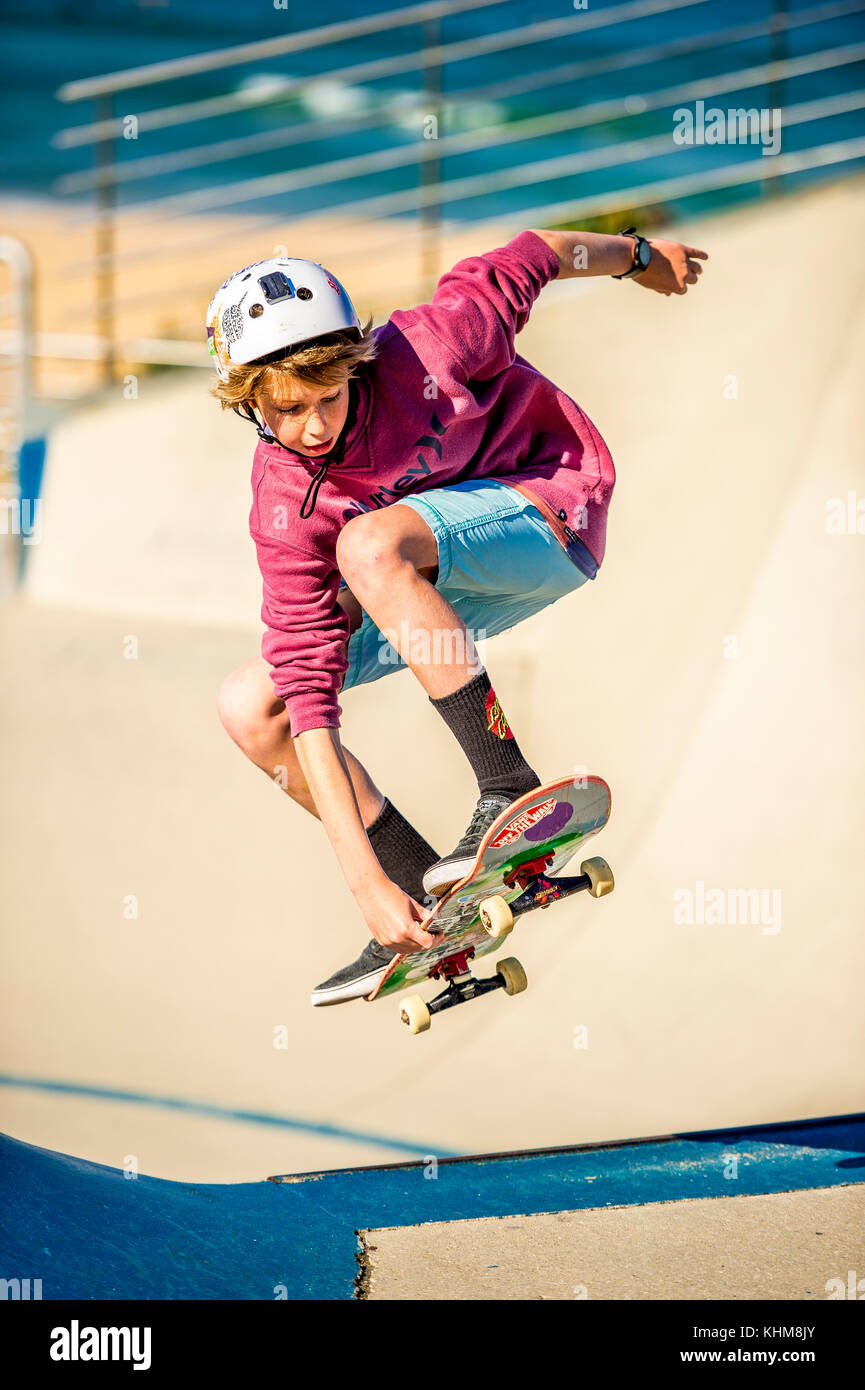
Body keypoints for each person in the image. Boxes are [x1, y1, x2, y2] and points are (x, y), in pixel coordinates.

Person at [208, 227, 706, 1005]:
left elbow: (535, 255)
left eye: (329, 398)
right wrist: (363, 882)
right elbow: (310, 700)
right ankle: (423, 904)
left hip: (547, 515)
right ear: (249, 403)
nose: (312, 427)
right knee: (253, 705)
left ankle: (504, 781)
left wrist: (639, 257)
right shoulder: (282, 502)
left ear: (354, 365)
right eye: (286, 410)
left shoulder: (431, 347)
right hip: (434, 591)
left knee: (368, 545)